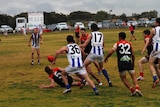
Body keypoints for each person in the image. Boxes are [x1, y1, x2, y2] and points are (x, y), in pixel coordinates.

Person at [104, 32, 143, 96]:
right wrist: (133, 62)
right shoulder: (129, 43)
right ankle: (137, 88)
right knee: (133, 76)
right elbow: (133, 54)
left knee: (123, 78)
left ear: (120, 37)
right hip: (129, 61)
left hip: (121, 62)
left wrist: (106, 57)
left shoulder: (117, 44)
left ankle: (132, 90)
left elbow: (111, 52)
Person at [149, 17, 160, 88]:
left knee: (150, 64)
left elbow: (150, 38)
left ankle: (155, 78)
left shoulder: (154, 29)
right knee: (159, 67)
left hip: (156, 48)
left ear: (157, 22)